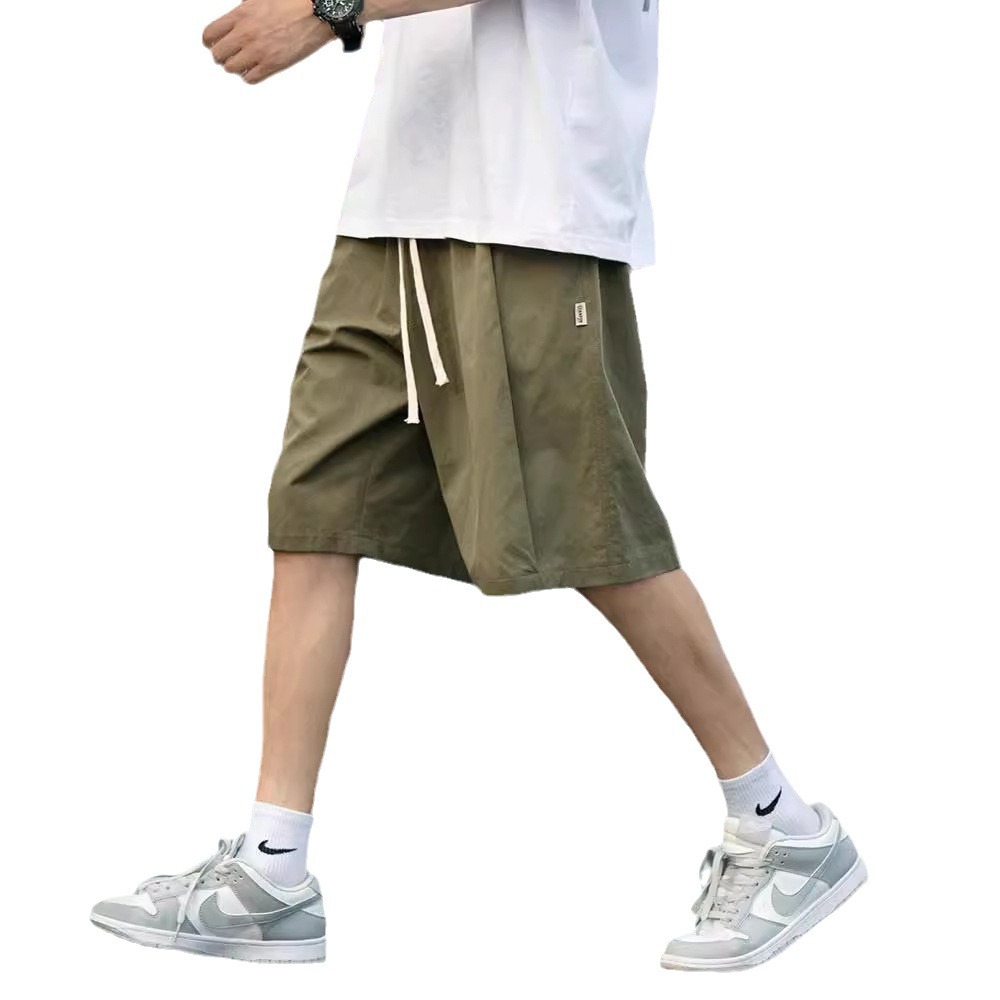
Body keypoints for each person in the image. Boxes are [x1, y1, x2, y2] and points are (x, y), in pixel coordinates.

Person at [90, 0, 866, 971]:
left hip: (533, 206)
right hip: (396, 206)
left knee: (591, 525)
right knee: (315, 509)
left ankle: (783, 823)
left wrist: (328, 10)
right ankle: (271, 871)